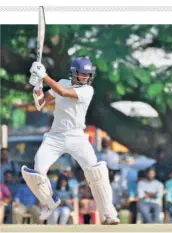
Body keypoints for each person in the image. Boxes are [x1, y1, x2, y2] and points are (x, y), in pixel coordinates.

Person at [20, 58, 119, 224]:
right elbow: (41, 103)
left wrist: (44, 76)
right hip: (55, 136)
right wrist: (37, 86)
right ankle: (49, 202)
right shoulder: (62, 82)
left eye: (88, 74)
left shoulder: (88, 90)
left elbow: (64, 93)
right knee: (37, 169)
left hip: (77, 136)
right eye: (83, 73)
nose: (86, 77)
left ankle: (108, 214)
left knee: (96, 173)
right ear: (74, 72)